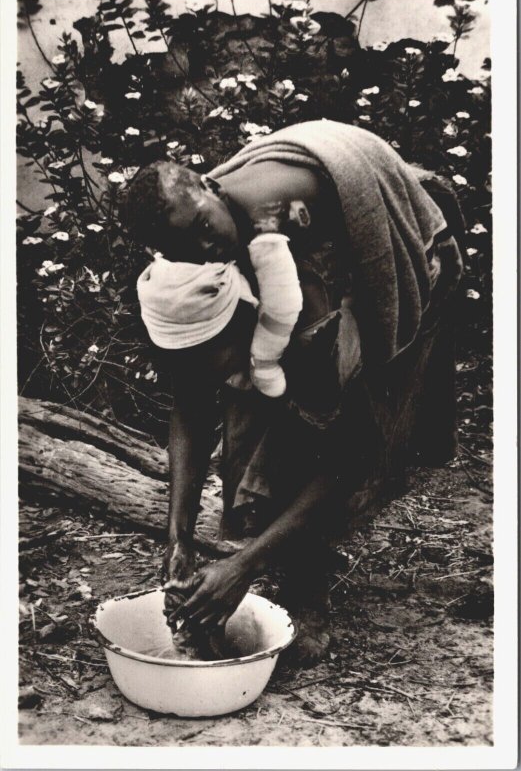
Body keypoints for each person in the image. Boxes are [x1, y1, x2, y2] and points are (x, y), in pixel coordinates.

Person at [125, 120, 463, 665]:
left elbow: (350, 458)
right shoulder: (192, 286)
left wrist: (244, 566)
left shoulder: (295, 284)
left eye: (208, 227)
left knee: (327, 414)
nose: (209, 243)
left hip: (388, 226)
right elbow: (188, 403)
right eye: (194, 245)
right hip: (282, 281)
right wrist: (177, 537)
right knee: (257, 404)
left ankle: (307, 586)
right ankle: (284, 546)